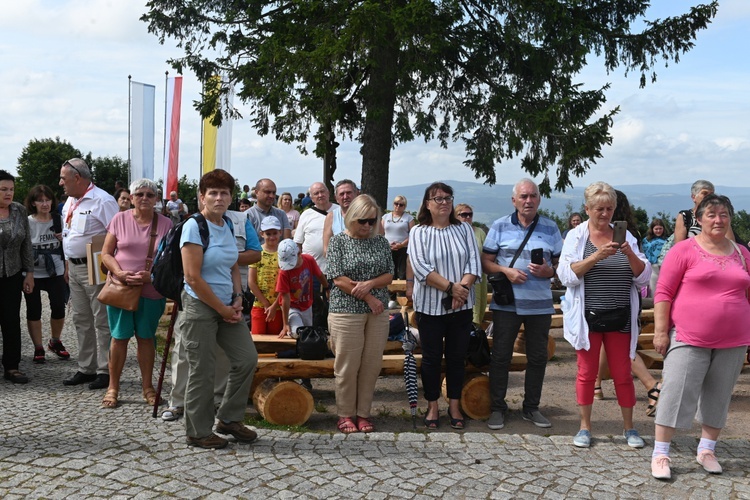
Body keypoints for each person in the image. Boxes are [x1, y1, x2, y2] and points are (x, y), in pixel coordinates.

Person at [649, 194, 750, 480]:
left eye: (724, 214)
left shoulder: (742, 253)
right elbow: (663, 293)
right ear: (700, 219)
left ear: (730, 218)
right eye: (711, 214)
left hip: (734, 338)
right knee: (676, 391)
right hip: (688, 335)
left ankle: (707, 450)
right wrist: (660, 331)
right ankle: (661, 453)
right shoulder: (683, 250)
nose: (718, 220)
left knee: (719, 394)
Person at [557, 181, 651, 449]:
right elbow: (565, 275)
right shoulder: (577, 236)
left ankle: (629, 428)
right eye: (599, 208)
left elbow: (643, 277)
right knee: (586, 373)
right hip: (588, 318)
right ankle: (585, 427)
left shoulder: (626, 236)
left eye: (609, 208)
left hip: (620, 317)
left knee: (622, 374)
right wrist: (597, 256)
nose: (605, 214)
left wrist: (630, 253)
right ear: (587, 208)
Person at [177, 168, 258, 449]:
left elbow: (233, 263)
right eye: (213, 192)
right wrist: (222, 310)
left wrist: (237, 298)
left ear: (231, 198)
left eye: (224, 192)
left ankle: (228, 419)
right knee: (203, 370)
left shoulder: (227, 226)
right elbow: (192, 277)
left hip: (227, 306)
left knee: (246, 358)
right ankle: (198, 432)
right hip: (199, 306)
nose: (219, 197)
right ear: (202, 197)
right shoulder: (194, 226)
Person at [482, 178, 562, 430]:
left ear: (539, 199)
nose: (529, 200)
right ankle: (497, 408)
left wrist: (548, 271)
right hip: (507, 304)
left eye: (533, 196)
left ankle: (531, 408)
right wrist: (506, 271)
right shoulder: (500, 225)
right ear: (514, 200)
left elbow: (562, 266)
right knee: (501, 356)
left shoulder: (551, 228)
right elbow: (486, 262)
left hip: (540, 305)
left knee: (538, 357)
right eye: (524, 196)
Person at [410, 182, 481, 430]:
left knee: (456, 358)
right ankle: (431, 406)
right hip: (430, 309)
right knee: (430, 359)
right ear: (427, 204)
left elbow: (474, 262)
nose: (443, 202)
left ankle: (453, 404)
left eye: (447, 198)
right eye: (437, 198)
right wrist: (452, 288)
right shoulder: (418, 231)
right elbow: (420, 267)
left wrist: (461, 290)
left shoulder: (464, 229)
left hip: (460, 308)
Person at [99, 179, 173, 409]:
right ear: (131, 198)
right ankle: (113, 387)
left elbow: (170, 259)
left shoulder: (166, 224)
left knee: (146, 337)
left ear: (157, 199)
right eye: (139, 194)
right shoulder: (119, 219)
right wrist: (120, 273)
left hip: (151, 289)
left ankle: (148, 387)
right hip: (121, 288)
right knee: (119, 337)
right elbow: (106, 253)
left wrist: (152, 276)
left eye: (150, 194)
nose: (144, 198)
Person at [327, 195, 393, 434]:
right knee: (347, 366)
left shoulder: (381, 242)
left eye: (371, 221)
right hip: (346, 311)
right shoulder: (338, 242)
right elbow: (338, 278)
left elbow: (389, 275)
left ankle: (363, 413)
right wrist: (368, 295)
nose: (367, 226)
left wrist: (371, 283)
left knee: (371, 365)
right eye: (362, 221)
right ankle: (345, 413)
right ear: (351, 217)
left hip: (376, 313)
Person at [59, 158, 119, 390]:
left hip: (95, 266)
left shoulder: (103, 200)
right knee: (81, 319)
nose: (61, 182)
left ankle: (105, 370)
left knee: (101, 319)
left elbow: (116, 235)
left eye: (64, 178)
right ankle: (86, 367)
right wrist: (66, 264)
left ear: (77, 178)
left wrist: (111, 269)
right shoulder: (70, 201)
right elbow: (68, 233)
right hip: (74, 267)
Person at [23, 185, 69, 364]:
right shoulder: (27, 222)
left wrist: (63, 239)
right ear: (33, 203)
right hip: (32, 271)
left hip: (55, 270)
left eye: (47, 200)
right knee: (34, 309)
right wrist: (27, 273)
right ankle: (38, 347)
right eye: (40, 200)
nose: (45, 204)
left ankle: (55, 341)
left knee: (58, 306)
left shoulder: (60, 220)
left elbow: (69, 244)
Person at [0, 170, 34, 384]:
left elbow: (26, 244)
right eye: (3, 189)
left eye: (11, 189)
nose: (8, 193)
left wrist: (29, 273)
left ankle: (12, 366)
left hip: (12, 274)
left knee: (11, 321)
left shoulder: (19, 210)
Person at [276, 239, 327, 339]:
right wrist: (285, 324)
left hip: (307, 305)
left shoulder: (308, 260)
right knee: (297, 332)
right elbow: (285, 299)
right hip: (292, 306)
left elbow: (320, 275)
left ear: (299, 254)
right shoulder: (284, 272)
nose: (290, 267)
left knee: (308, 333)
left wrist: (327, 287)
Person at [248, 216, 283, 335]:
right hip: (259, 304)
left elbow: (286, 283)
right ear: (262, 234)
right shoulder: (257, 252)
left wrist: (274, 305)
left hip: (279, 305)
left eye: (275, 233)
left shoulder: (284, 253)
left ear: (280, 233)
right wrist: (266, 303)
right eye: (268, 234)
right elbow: (251, 282)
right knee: (258, 339)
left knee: (276, 341)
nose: (272, 237)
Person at [455, 203, 487, 327]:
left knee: (476, 313)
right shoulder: (453, 232)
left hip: (478, 279)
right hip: (459, 279)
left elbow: (486, 255)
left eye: (470, 214)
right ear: (456, 216)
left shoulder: (479, 232)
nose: (467, 217)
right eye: (464, 215)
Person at [246, 178, 292, 242]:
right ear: (257, 192)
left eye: (274, 193)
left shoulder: (281, 214)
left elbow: (287, 242)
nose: (272, 196)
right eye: (267, 192)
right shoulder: (247, 216)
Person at [380, 195, 414, 281]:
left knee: (402, 273)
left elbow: (413, 235)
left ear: (404, 206)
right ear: (393, 204)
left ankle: (403, 292)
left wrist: (401, 244)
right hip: (388, 248)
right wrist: (386, 244)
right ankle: (390, 294)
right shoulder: (385, 217)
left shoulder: (409, 218)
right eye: (396, 204)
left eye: (401, 205)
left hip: (403, 249)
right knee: (390, 273)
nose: (398, 206)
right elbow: (380, 233)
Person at [323, 179, 359, 255]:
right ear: (336, 198)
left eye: (349, 193)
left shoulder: (368, 214)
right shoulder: (331, 217)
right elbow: (326, 249)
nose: (345, 197)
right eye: (342, 194)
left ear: (357, 194)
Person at [642, 219, 669, 297]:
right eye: (656, 229)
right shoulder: (646, 240)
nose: (658, 231)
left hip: (665, 267)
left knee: (664, 287)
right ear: (652, 229)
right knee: (653, 288)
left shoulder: (668, 240)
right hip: (652, 267)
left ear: (663, 229)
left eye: (660, 228)